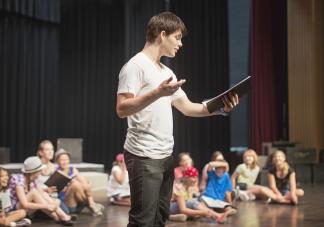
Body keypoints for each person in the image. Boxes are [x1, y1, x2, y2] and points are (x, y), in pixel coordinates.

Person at [116, 11, 239, 226]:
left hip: (165, 156)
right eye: (178, 37)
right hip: (143, 156)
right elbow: (122, 109)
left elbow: (189, 107)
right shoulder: (134, 66)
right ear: (162, 35)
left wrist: (221, 108)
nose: (180, 44)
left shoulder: (167, 72)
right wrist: (157, 93)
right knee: (142, 221)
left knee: (160, 218)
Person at [8, 156, 75, 226]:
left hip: (25, 208)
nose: (41, 172)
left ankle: (59, 217)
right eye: (40, 170)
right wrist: (46, 206)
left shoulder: (32, 181)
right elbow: (25, 203)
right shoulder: (19, 180)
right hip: (15, 209)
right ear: (34, 171)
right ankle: (62, 217)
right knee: (34, 192)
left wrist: (48, 195)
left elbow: (42, 193)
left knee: (43, 193)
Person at [54, 149, 104, 215]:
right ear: (57, 161)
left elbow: (85, 183)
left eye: (67, 159)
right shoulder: (56, 172)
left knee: (83, 183)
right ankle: (91, 204)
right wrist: (69, 185)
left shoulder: (72, 169)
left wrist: (86, 184)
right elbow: (57, 191)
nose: (65, 162)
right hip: (67, 203)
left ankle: (91, 204)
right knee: (75, 184)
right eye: (62, 160)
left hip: (78, 201)